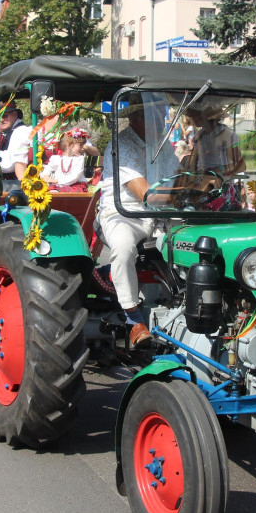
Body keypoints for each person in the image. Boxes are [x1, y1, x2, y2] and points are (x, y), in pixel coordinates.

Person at [92, 96, 159, 347]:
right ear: (135, 119)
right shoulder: (122, 145)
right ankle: (134, 319)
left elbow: (176, 176)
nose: (160, 121)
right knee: (122, 246)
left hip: (159, 214)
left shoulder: (163, 146)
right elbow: (144, 193)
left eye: (161, 114)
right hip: (124, 213)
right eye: (153, 116)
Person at [41, 128, 89, 192]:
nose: (82, 148)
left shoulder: (79, 159)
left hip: (76, 186)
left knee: (66, 193)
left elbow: (75, 177)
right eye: (80, 145)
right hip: (59, 187)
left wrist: (57, 180)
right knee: (51, 192)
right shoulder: (56, 159)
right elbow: (47, 170)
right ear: (69, 144)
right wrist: (46, 176)